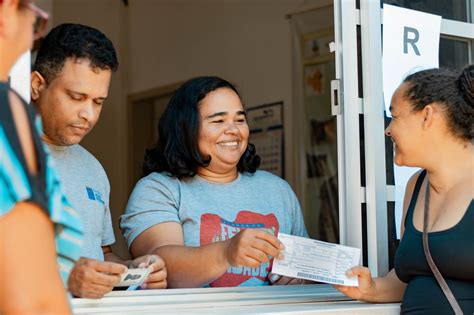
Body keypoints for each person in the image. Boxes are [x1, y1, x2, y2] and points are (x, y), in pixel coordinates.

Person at [121, 76, 309, 288]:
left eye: (239, 120)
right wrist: (226, 252)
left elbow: (307, 267)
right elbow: (160, 269)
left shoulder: (277, 190)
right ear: (185, 128)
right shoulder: (158, 189)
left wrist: (299, 277)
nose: (233, 130)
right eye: (218, 121)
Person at [31, 23, 167, 299]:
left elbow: (99, 254)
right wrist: (67, 279)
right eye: (77, 97)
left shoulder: (92, 169)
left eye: (98, 101)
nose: (89, 115)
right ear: (37, 86)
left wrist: (131, 271)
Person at [335, 65, 474, 314]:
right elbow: (410, 277)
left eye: (395, 117)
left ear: (427, 116)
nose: (388, 130)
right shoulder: (416, 186)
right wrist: (370, 289)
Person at [0, 1, 83, 313]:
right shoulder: (6, 113)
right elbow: (30, 300)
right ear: (6, 12)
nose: (33, 38)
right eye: (36, 22)